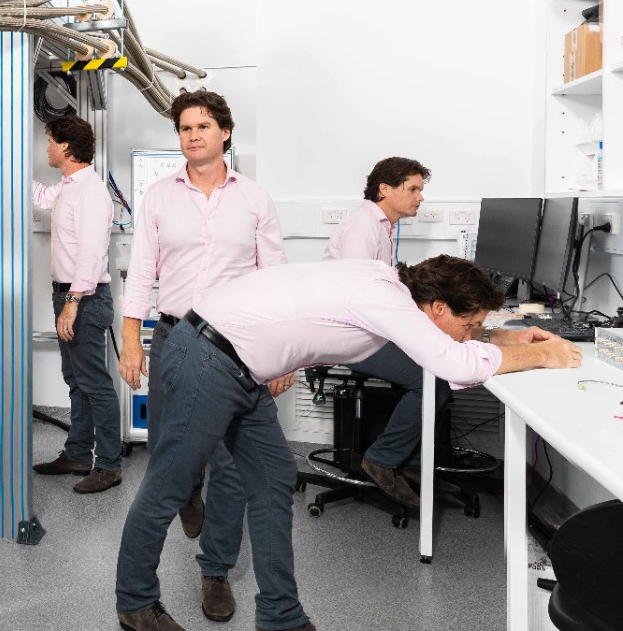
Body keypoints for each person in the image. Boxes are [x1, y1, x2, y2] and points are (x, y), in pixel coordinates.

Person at [115, 255, 581, 631]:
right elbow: (454, 364)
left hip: (238, 366)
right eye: (470, 324)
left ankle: (280, 615)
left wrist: (502, 338)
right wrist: (543, 354)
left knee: (275, 477)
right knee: (170, 484)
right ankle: (135, 603)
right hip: (207, 358)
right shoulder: (383, 298)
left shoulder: (394, 292)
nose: (471, 334)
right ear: (438, 308)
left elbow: (439, 346)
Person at [118, 88, 286, 623]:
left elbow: (274, 279)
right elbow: (142, 270)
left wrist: (283, 356)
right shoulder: (160, 198)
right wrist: (129, 339)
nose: (193, 135)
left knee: (234, 470)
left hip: (240, 348)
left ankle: (215, 571)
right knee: (172, 459)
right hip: (175, 342)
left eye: (204, 126)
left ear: (225, 133)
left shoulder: (254, 198)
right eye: (186, 128)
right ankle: (187, 499)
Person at [324, 156, 448, 505]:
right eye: (413, 189)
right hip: (348, 335)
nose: (420, 197)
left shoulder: (381, 225)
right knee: (432, 379)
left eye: (420, 190)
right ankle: (382, 460)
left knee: (435, 365)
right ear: (385, 189)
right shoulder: (364, 226)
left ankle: (409, 463)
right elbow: (356, 295)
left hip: (365, 329)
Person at [31, 115, 122, 493]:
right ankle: (79, 453)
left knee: (95, 384)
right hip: (67, 295)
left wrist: (71, 303)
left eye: (50, 141)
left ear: (66, 147)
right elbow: (38, 196)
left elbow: (91, 256)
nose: (47, 148)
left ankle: (110, 465)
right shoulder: (68, 187)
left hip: (82, 297)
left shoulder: (91, 192)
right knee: (77, 381)